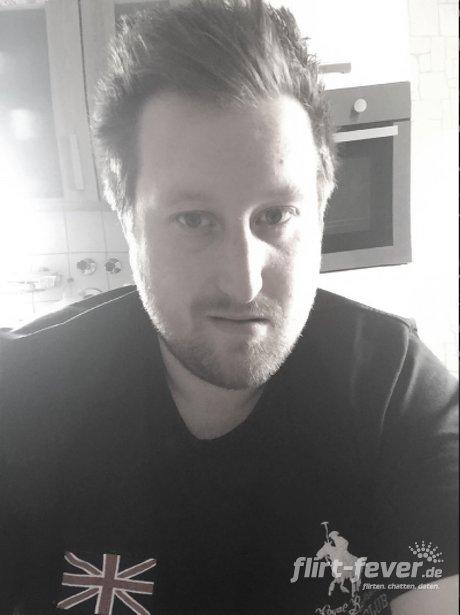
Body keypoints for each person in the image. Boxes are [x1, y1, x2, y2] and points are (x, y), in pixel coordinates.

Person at [0, 1, 457, 613]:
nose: (243, 284)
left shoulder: (396, 395)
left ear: (322, 209)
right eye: (193, 219)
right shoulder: (20, 399)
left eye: (275, 216)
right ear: (126, 216)